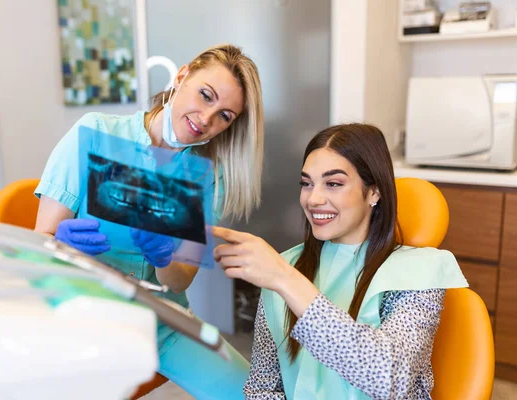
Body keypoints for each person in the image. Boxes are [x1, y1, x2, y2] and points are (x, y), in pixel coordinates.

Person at [34, 44, 264, 399]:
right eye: (206, 96)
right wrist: (60, 241)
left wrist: (164, 257)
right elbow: (42, 243)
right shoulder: (96, 133)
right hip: (83, 311)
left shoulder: (204, 176)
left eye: (224, 115)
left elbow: (178, 280)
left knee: (252, 393)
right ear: (182, 75)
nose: (206, 119)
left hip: (162, 320)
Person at [212, 124, 468, 399]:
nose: (313, 199)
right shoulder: (285, 266)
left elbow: (391, 378)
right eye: (307, 183)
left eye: (333, 183)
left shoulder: (421, 270)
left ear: (374, 192)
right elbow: (264, 387)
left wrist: (286, 280)